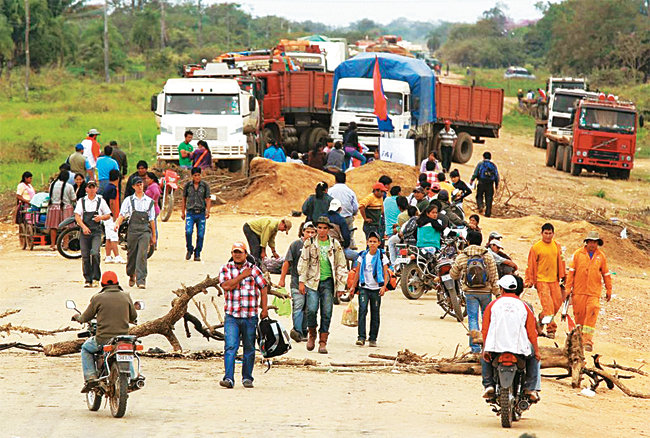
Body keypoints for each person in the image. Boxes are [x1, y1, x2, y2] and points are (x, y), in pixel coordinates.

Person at [72, 271, 139, 393]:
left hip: (103, 340)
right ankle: (134, 377)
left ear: (102, 284)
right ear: (117, 283)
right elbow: (133, 316)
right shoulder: (126, 296)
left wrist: (77, 317)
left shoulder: (98, 298)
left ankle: (91, 377)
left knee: (86, 348)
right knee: (127, 352)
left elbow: (85, 318)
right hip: (123, 339)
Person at [481, 274, 541, 402]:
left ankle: (488, 385)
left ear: (502, 289)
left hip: (495, 347)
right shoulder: (524, 306)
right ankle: (530, 388)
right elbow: (532, 332)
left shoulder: (493, 305)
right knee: (533, 359)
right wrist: (536, 351)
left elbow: (485, 329)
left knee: (485, 358)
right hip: (518, 347)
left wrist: (485, 347)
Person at [218, 242, 269, 389]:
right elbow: (226, 286)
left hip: (250, 315)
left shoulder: (254, 270)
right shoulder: (226, 269)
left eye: (240, 252)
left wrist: (264, 309)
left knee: (249, 348)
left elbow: (264, 287)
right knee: (230, 347)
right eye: (235, 252)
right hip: (232, 315)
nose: (237, 254)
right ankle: (228, 378)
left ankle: (247, 378)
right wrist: (242, 276)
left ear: (245, 254)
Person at [297, 216, 347, 354]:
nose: (322, 230)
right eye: (319, 228)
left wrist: (341, 286)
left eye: (325, 228)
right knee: (311, 309)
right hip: (312, 281)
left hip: (328, 282)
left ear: (328, 229)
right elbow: (303, 262)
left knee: (327, 312)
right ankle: (311, 334)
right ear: (316, 229)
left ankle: (323, 341)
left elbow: (341, 264)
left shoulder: (335, 244)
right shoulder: (309, 243)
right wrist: (301, 281)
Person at [450, 230, 499, 353]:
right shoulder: (487, 255)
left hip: (470, 292)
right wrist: (497, 293)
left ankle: (475, 348)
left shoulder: (463, 256)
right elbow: (493, 275)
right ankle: (487, 346)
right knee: (486, 318)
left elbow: (453, 274)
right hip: (486, 292)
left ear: (468, 241)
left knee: (472, 319)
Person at [566, 231, 612, 352]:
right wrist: (567, 288)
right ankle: (580, 339)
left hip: (593, 292)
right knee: (579, 317)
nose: (592, 244)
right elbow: (571, 272)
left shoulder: (601, 256)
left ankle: (588, 341)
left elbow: (606, 274)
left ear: (598, 243)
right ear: (587, 242)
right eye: (590, 242)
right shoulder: (578, 254)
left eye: (595, 242)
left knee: (592, 313)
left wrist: (609, 289)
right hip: (578, 291)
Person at [524, 223, 566, 339]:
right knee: (548, 306)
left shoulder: (557, 246)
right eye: (546, 233)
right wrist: (529, 280)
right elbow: (531, 265)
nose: (548, 236)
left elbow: (562, 261)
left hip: (554, 280)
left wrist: (564, 276)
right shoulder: (536, 248)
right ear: (541, 233)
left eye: (550, 233)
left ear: (553, 233)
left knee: (557, 304)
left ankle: (542, 318)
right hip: (541, 281)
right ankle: (551, 329)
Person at [114, 177, 156, 289]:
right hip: (132, 230)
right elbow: (122, 215)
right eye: (137, 185)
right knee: (131, 254)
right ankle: (131, 274)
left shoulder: (149, 201)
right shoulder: (128, 200)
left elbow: (152, 220)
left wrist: (154, 236)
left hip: (145, 231)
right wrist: (117, 224)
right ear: (133, 187)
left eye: (141, 184)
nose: (139, 186)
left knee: (142, 254)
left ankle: (141, 279)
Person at [348, 231, 389, 347]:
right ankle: (361, 337)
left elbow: (386, 273)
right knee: (362, 311)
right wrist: (353, 286)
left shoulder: (382, 256)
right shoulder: (363, 256)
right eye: (370, 241)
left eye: (374, 242)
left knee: (375, 313)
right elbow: (357, 272)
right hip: (364, 288)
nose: (372, 244)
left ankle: (373, 338)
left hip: (376, 289)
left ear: (379, 243)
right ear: (367, 242)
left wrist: (384, 286)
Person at [279, 222, 317, 343]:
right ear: (302, 232)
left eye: (312, 232)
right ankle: (297, 331)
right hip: (296, 282)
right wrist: (282, 279)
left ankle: (304, 330)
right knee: (298, 306)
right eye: (308, 232)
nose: (310, 234)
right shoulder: (295, 245)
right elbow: (287, 262)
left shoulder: (317, 246)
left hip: (312, 284)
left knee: (309, 308)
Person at [74, 181, 111, 287]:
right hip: (84, 232)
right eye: (89, 187)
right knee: (85, 256)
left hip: (96, 231)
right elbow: (77, 216)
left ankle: (96, 277)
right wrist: (83, 227)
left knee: (95, 253)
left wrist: (101, 217)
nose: (91, 189)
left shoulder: (101, 201)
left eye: (93, 187)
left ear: (96, 189)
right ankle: (87, 279)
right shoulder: (81, 201)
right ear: (86, 189)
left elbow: (108, 214)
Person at [181, 167, 211, 262]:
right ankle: (189, 248)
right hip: (190, 212)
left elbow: (208, 198)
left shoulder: (205, 186)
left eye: (198, 175)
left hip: (201, 213)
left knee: (201, 234)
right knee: (188, 231)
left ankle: (197, 253)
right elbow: (184, 199)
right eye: (195, 175)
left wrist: (208, 211)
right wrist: (183, 212)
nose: (197, 177)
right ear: (192, 176)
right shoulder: (188, 186)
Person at [45, 170, 76, 250]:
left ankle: (52, 245)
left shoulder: (52, 184)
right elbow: (73, 198)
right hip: (65, 208)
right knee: (66, 227)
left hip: (53, 208)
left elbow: (50, 195)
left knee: (53, 227)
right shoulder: (69, 186)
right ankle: (65, 245)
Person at [328, 172, 359, 250]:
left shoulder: (330, 191)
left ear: (335, 180)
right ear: (345, 180)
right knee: (349, 236)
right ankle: (349, 250)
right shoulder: (350, 191)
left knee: (333, 237)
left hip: (333, 219)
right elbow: (355, 207)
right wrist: (353, 214)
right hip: (347, 217)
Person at [103, 170, 124, 264]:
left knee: (108, 237)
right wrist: (115, 216)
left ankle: (108, 256)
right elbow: (112, 202)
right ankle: (117, 256)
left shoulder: (107, 187)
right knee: (114, 236)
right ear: (118, 178)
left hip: (106, 216)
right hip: (110, 216)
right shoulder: (113, 189)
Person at [470, 151, 499, 217]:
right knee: (489, 198)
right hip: (490, 184)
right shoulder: (493, 165)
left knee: (479, 196)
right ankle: (488, 213)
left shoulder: (481, 164)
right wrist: (496, 184)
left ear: (483, 157)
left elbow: (476, 173)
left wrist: (472, 180)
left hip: (481, 183)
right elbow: (496, 176)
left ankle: (480, 206)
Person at [144, 171, 161, 247]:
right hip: (152, 208)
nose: (146, 180)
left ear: (152, 179)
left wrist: (153, 201)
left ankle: (153, 243)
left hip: (153, 209)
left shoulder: (153, 186)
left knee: (153, 226)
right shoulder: (152, 185)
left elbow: (157, 193)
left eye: (148, 178)